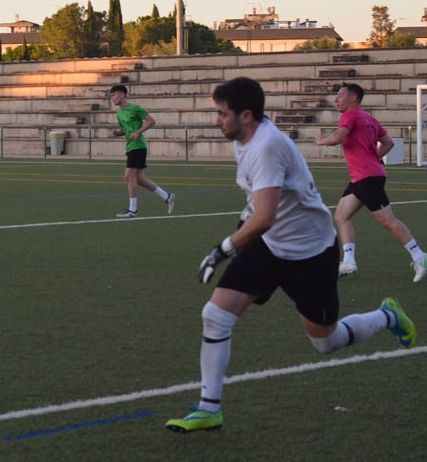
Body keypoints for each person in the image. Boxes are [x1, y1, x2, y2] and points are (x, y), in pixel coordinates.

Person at [165, 77, 415, 433]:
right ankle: (209, 408)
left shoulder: (266, 145)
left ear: (246, 115)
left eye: (223, 114)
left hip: (310, 253)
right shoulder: (245, 137)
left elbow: (264, 217)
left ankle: (387, 316)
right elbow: (257, 207)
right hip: (269, 246)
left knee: (326, 341)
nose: (217, 120)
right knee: (216, 315)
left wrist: (222, 250)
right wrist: (239, 236)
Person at [315, 82, 426, 281]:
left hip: (367, 177)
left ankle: (420, 257)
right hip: (362, 177)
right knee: (341, 215)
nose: (336, 99)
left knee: (386, 220)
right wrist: (374, 158)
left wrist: (323, 140)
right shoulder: (370, 119)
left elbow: (338, 137)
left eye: (340, 95)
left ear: (353, 98)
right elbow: (388, 143)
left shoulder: (350, 114)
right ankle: (349, 262)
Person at [109, 84, 175, 217]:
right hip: (130, 146)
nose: (112, 98)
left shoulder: (135, 108)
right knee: (139, 179)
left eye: (114, 95)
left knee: (128, 176)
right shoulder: (119, 112)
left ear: (122, 94)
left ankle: (133, 210)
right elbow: (124, 129)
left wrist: (138, 132)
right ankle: (167, 196)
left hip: (138, 146)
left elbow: (151, 121)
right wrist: (116, 133)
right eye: (111, 96)